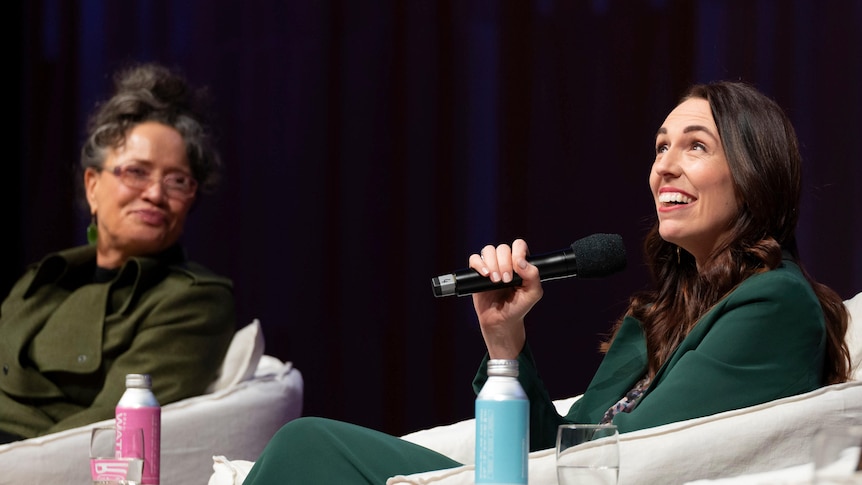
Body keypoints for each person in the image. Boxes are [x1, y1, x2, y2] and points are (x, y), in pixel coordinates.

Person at [241, 81, 851, 484]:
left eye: (696, 146)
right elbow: (547, 451)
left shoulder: (774, 301)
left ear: (755, 173)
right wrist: (506, 342)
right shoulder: (660, 316)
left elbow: (638, 458)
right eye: (660, 146)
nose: (664, 164)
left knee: (307, 448)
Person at [0, 63, 236, 443]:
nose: (156, 194)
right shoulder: (40, 281)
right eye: (137, 172)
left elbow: (112, 429)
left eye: (177, 181)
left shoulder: (194, 300)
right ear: (92, 186)